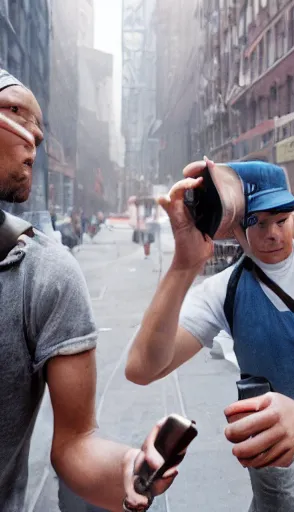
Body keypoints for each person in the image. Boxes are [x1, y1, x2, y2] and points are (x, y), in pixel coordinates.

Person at [125, 159, 294, 512]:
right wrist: (183, 265)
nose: (273, 233)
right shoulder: (225, 290)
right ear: (237, 229)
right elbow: (143, 368)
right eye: (258, 222)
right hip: (270, 438)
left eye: (281, 220)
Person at [0, 68, 183, 512]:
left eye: (39, 126)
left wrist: (126, 465)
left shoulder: (44, 274)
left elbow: (75, 441)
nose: (37, 136)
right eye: (18, 113)